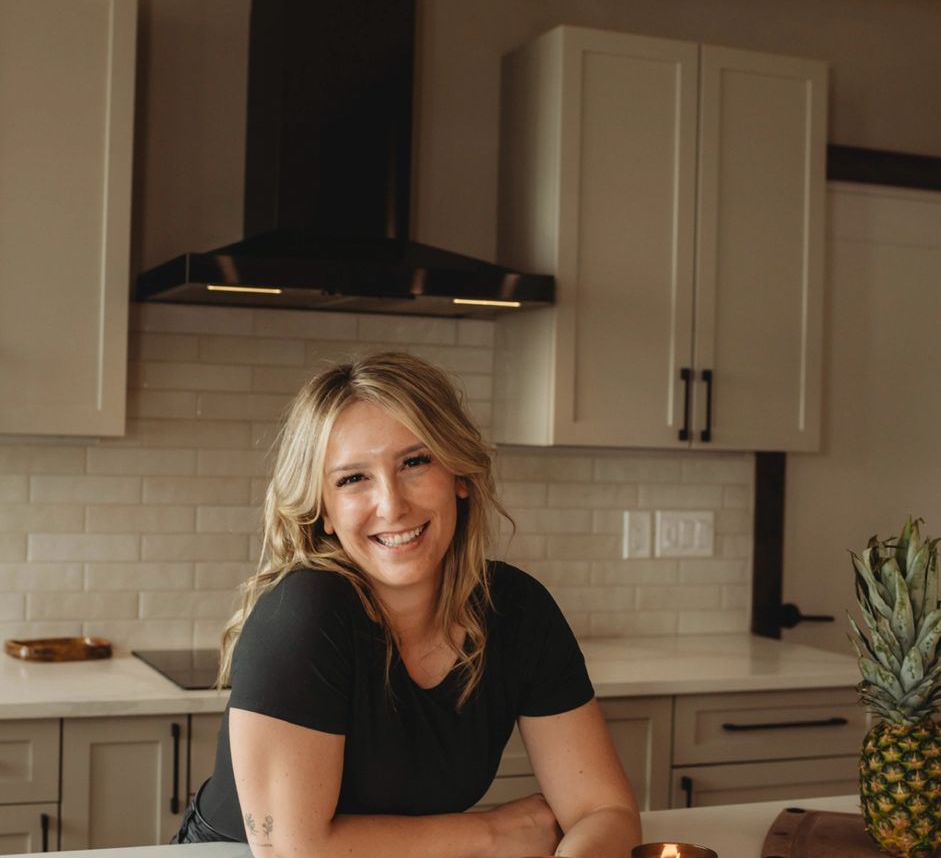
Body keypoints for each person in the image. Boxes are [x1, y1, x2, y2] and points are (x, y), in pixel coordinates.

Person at [171, 351, 641, 857]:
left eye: (415, 462)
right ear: (323, 511)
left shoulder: (517, 610)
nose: (392, 505)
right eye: (353, 479)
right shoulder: (303, 613)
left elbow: (604, 811)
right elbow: (296, 853)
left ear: (459, 475)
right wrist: (494, 836)